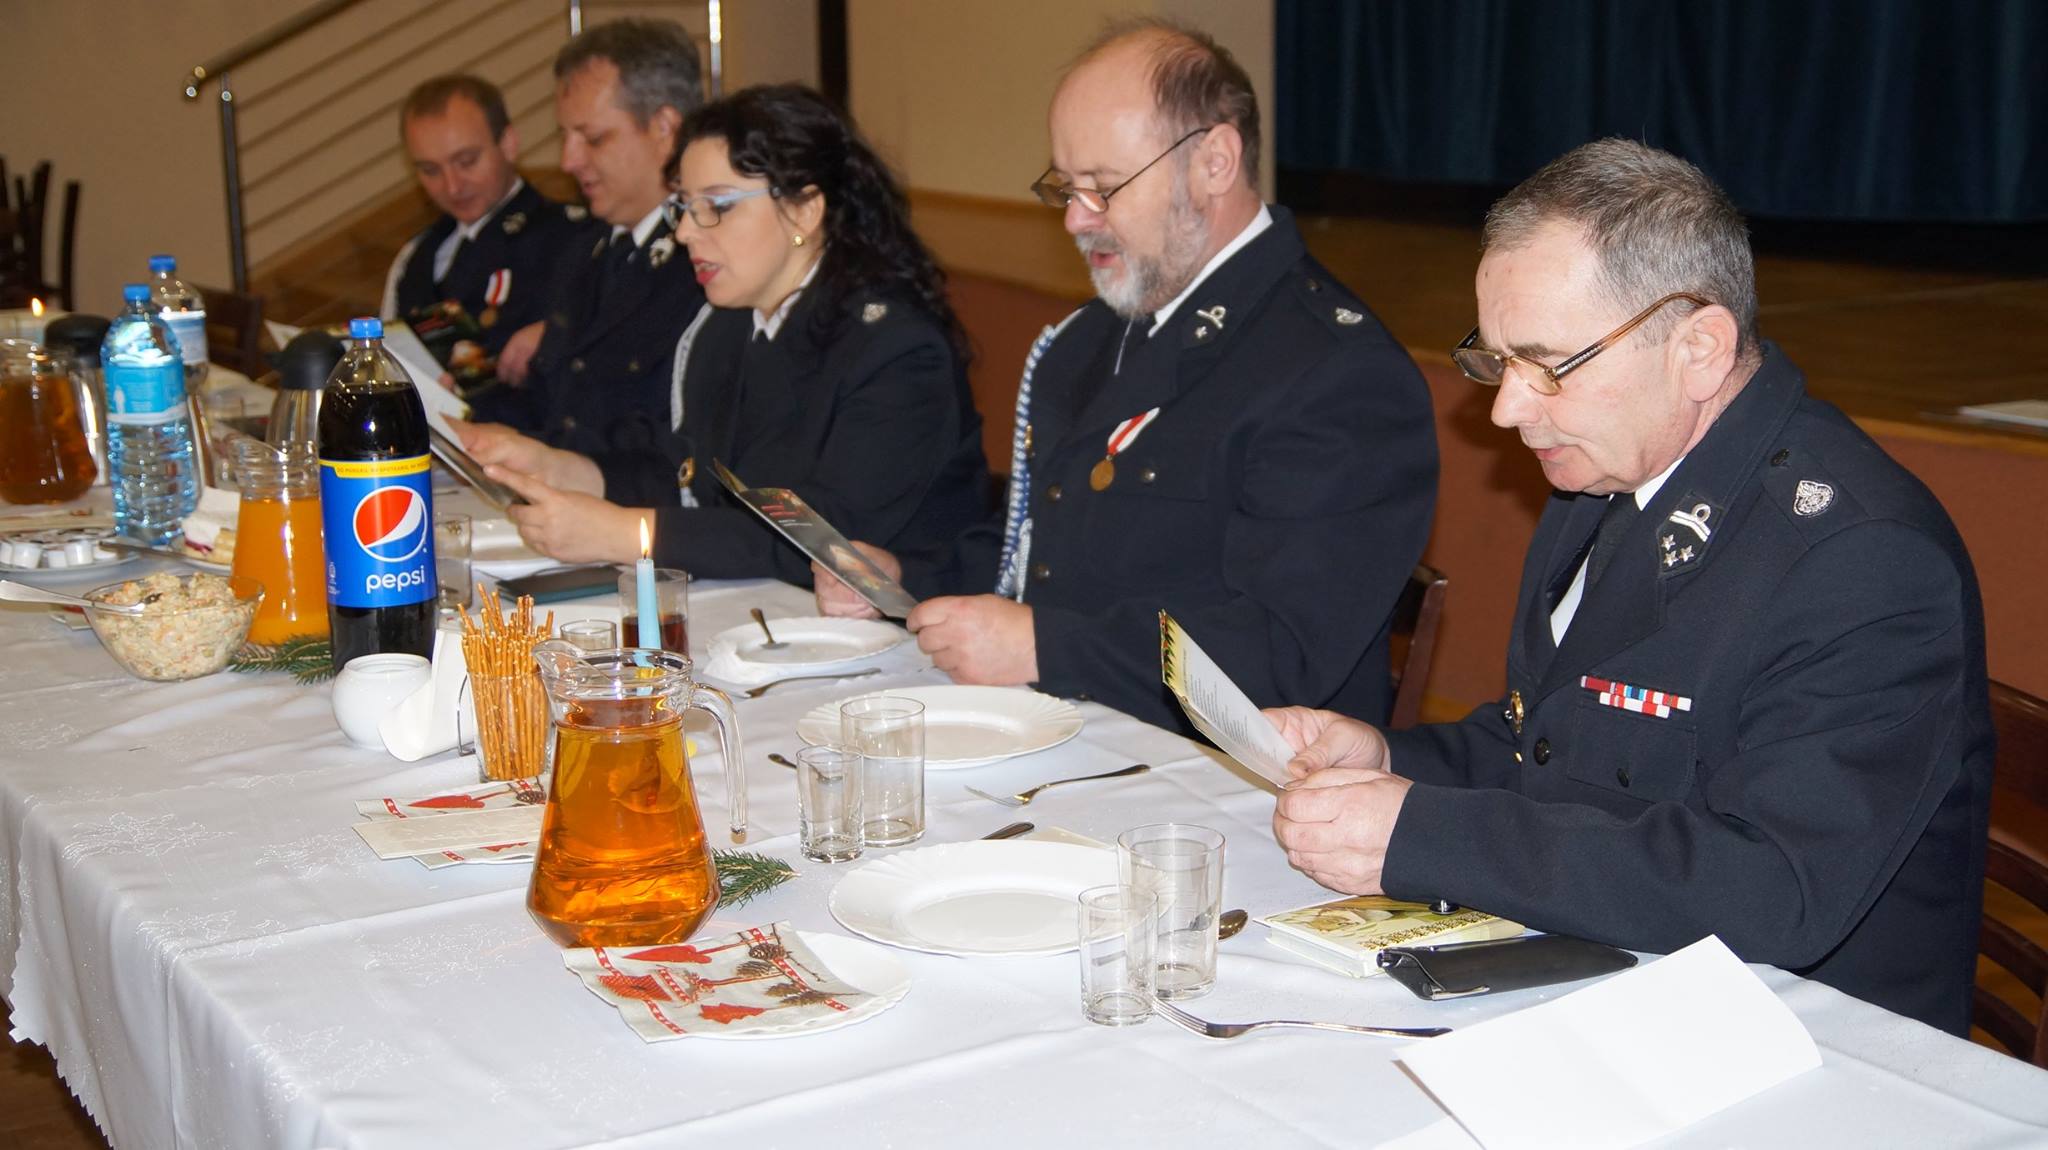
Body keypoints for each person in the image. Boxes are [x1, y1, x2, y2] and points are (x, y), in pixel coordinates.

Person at [1267, 138, 1994, 1034]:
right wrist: (1388, 763)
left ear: (1699, 349)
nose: (1506, 409)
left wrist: (1425, 837)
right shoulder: (1607, 478)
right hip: (1627, 984)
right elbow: (1552, 744)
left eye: (1547, 365)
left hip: (1814, 1046)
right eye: (1496, 360)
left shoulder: (1860, 559)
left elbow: (1776, 887)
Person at [815, 19, 1437, 735]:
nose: (1076, 220)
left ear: (1214, 162)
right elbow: (1038, 550)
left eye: (1105, 188)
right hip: (1076, 732)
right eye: (1066, 188)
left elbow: (1282, 651)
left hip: (1226, 777)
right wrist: (907, 581)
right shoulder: (1090, 338)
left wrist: (1044, 647)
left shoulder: (1337, 372)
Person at [454, 85, 989, 582]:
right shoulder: (724, 327)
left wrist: (624, 533)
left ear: (804, 210)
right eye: (684, 206)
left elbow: (826, 536)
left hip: (902, 632)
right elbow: (683, 475)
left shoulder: (895, 348)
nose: (686, 231)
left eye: (716, 206)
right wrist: (556, 468)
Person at [466, 18, 707, 448]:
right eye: (565, 137)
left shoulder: (704, 262)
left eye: (593, 139)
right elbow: (557, 411)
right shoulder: (585, 251)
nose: (568, 161)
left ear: (664, 129)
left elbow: (673, 450)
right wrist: (457, 413)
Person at [379, 75, 579, 367]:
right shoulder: (414, 258)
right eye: (430, 170)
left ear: (508, 144)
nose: (452, 186)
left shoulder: (572, 237)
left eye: (467, 161)